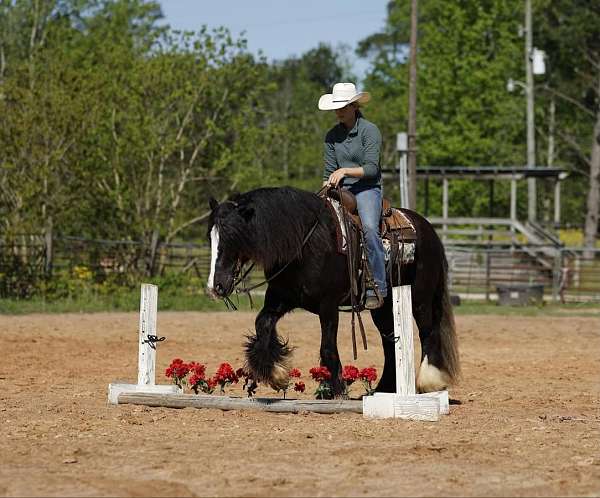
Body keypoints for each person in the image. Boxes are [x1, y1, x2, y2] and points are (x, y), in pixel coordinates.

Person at [318, 82, 387, 310]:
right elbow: (329, 172)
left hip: (367, 189)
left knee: (368, 228)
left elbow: (371, 169)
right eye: (337, 107)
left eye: (344, 106)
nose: (339, 111)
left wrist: (344, 171)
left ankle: (377, 285)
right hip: (340, 191)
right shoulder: (331, 137)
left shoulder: (369, 130)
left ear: (355, 106)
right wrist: (328, 183)